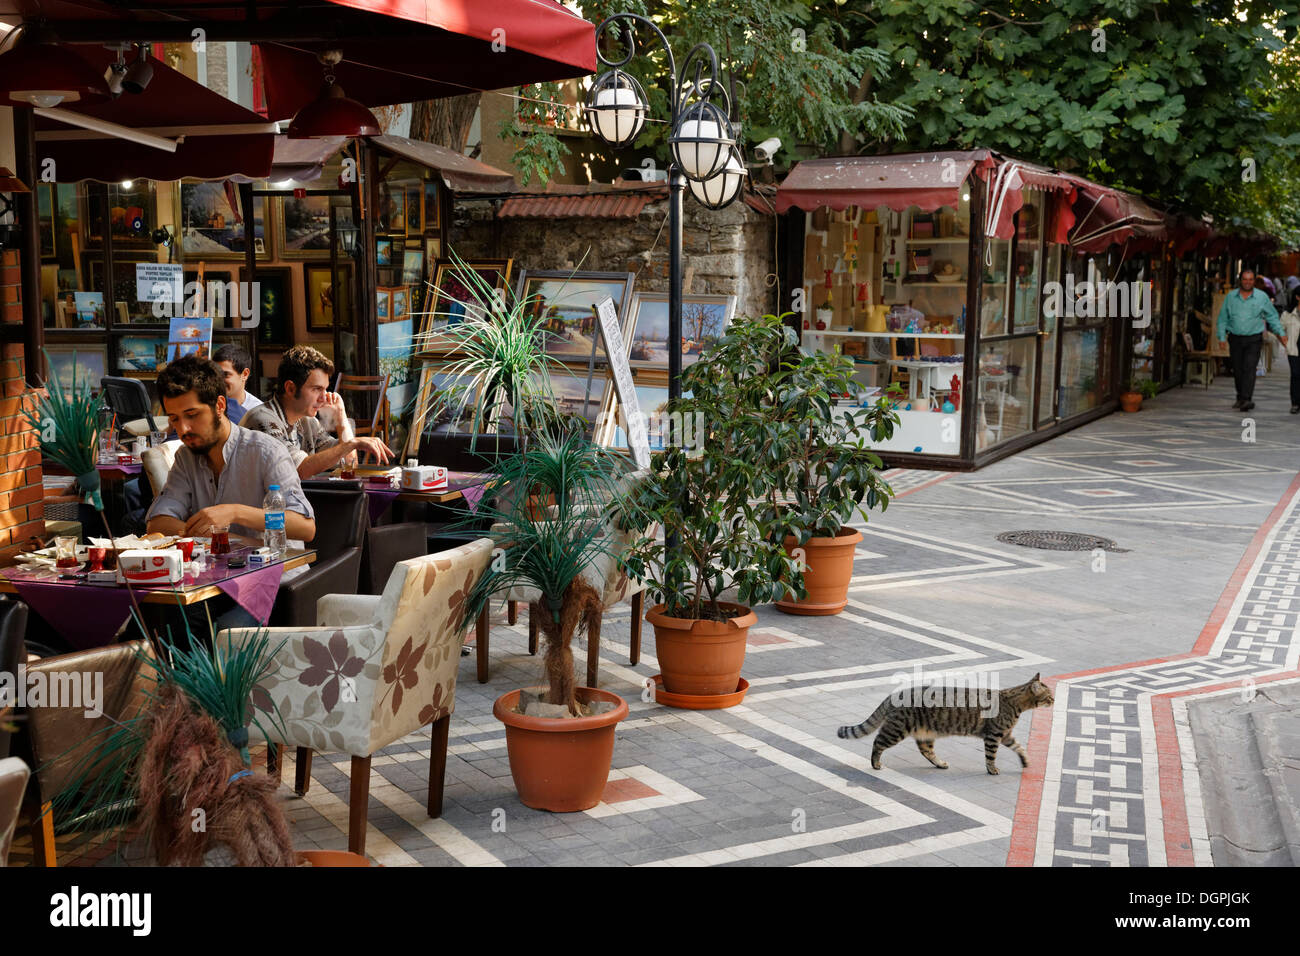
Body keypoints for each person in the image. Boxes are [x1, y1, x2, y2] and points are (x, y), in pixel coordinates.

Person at [241, 344, 394, 478]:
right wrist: (351, 443)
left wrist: (341, 417)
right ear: (290, 388)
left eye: (325, 389)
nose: (323, 397)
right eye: (316, 389)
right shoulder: (263, 420)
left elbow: (349, 463)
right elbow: (299, 470)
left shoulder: (307, 420)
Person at [1215, 269, 1287, 412]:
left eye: (1250, 279)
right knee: (1237, 369)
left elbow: (1272, 316)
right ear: (1240, 280)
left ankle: (1247, 399)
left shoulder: (1262, 297)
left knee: (1249, 367)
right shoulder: (1230, 297)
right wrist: (1222, 337)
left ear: (1254, 281)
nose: (1247, 282)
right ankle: (1240, 396)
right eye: (1245, 279)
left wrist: (1280, 333)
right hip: (1235, 337)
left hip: (1254, 338)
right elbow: (1223, 318)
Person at [213, 343, 262, 425]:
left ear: (245, 374)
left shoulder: (258, 412)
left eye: (225, 375)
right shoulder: (207, 404)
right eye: (215, 374)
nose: (219, 380)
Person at [1283, 289, 1300, 415]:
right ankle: (1295, 403)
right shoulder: (1288, 314)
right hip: (1294, 350)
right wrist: (1285, 342)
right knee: (1295, 374)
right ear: (1298, 297)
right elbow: (1279, 328)